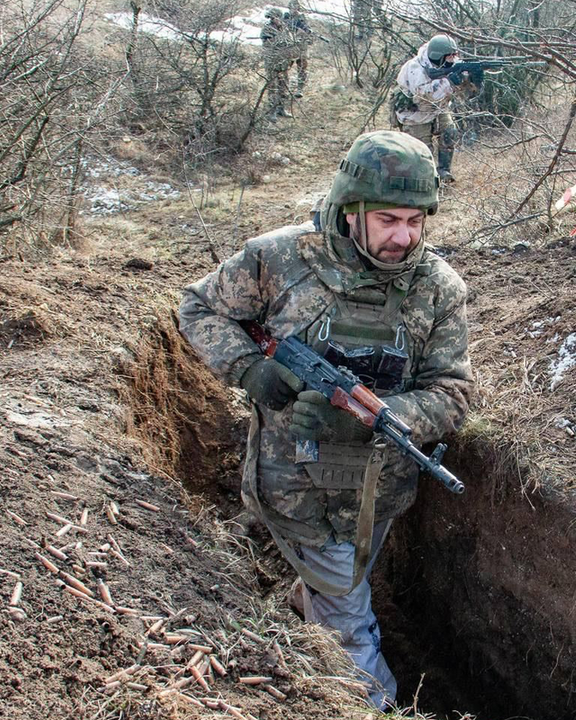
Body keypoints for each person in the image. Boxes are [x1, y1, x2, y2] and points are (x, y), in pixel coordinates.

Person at [178, 131, 472, 710]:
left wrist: (379, 418)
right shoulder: (278, 259)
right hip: (297, 490)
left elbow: (454, 392)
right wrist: (249, 370)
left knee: (343, 583)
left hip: (379, 491)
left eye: (415, 221)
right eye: (388, 219)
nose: (403, 237)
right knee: (349, 625)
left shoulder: (438, 288)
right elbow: (199, 307)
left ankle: (306, 606)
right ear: (349, 209)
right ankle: (376, 703)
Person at [392, 34, 472, 183]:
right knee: (421, 152)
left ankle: (444, 171)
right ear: (439, 56)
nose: (453, 59)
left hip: (438, 109)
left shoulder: (449, 63)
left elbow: (461, 85)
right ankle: (425, 181)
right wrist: (449, 82)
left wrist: (468, 77)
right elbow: (426, 95)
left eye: (454, 55)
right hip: (415, 114)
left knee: (449, 132)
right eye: (450, 56)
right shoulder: (415, 68)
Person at [260, 7, 296, 118]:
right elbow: (268, 44)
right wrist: (280, 41)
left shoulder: (284, 28)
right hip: (272, 62)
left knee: (283, 85)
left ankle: (281, 109)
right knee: (272, 86)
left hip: (283, 62)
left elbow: (290, 43)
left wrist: (291, 56)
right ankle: (272, 111)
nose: (273, 19)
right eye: (271, 17)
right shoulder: (267, 29)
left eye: (275, 17)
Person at [284, 0, 312, 98]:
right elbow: (284, 30)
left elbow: (308, 30)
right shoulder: (285, 18)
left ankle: (300, 89)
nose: (294, 9)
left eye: (296, 7)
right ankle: (284, 90)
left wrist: (305, 32)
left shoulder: (302, 18)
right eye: (292, 7)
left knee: (302, 69)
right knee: (284, 69)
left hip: (301, 48)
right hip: (289, 48)